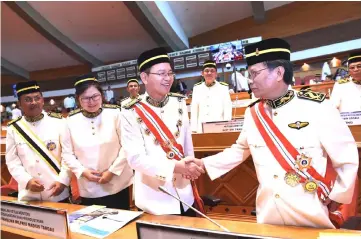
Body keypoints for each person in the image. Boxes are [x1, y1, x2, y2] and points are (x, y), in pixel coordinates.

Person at [189, 38, 359, 228]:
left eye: (254, 73)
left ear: (279, 72)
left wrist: (335, 196)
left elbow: (347, 157)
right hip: (268, 212)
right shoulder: (253, 112)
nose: (250, 80)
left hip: (311, 214)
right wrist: (203, 163)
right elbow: (240, 149)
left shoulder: (317, 106)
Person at [120, 47, 205, 216]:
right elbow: (135, 159)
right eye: (161, 74)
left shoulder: (179, 102)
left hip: (184, 193)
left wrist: (190, 167)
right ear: (144, 77)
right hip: (155, 198)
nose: (167, 79)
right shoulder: (130, 111)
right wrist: (175, 167)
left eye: (170, 73)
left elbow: (187, 144)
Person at [61, 75, 133, 209]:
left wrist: (112, 172)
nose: (91, 101)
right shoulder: (70, 121)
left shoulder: (115, 114)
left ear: (102, 95)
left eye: (95, 96)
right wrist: (82, 171)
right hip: (89, 186)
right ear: (78, 100)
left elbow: (127, 146)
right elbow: (67, 154)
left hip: (117, 181)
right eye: (85, 98)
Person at [6, 81, 71, 202]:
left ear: (42, 100)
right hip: (28, 195)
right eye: (28, 99)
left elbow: (68, 155)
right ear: (19, 104)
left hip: (57, 192)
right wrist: (27, 181)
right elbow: (12, 161)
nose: (34, 102)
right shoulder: (14, 128)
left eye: (37, 98)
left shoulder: (59, 122)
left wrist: (63, 181)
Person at [191, 60, 232, 133]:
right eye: (206, 71)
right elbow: (194, 110)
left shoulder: (223, 88)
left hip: (218, 128)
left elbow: (227, 109)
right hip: (201, 129)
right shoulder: (197, 88)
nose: (209, 73)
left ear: (216, 74)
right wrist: (194, 129)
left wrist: (227, 128)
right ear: (202, 73)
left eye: (212, 71)